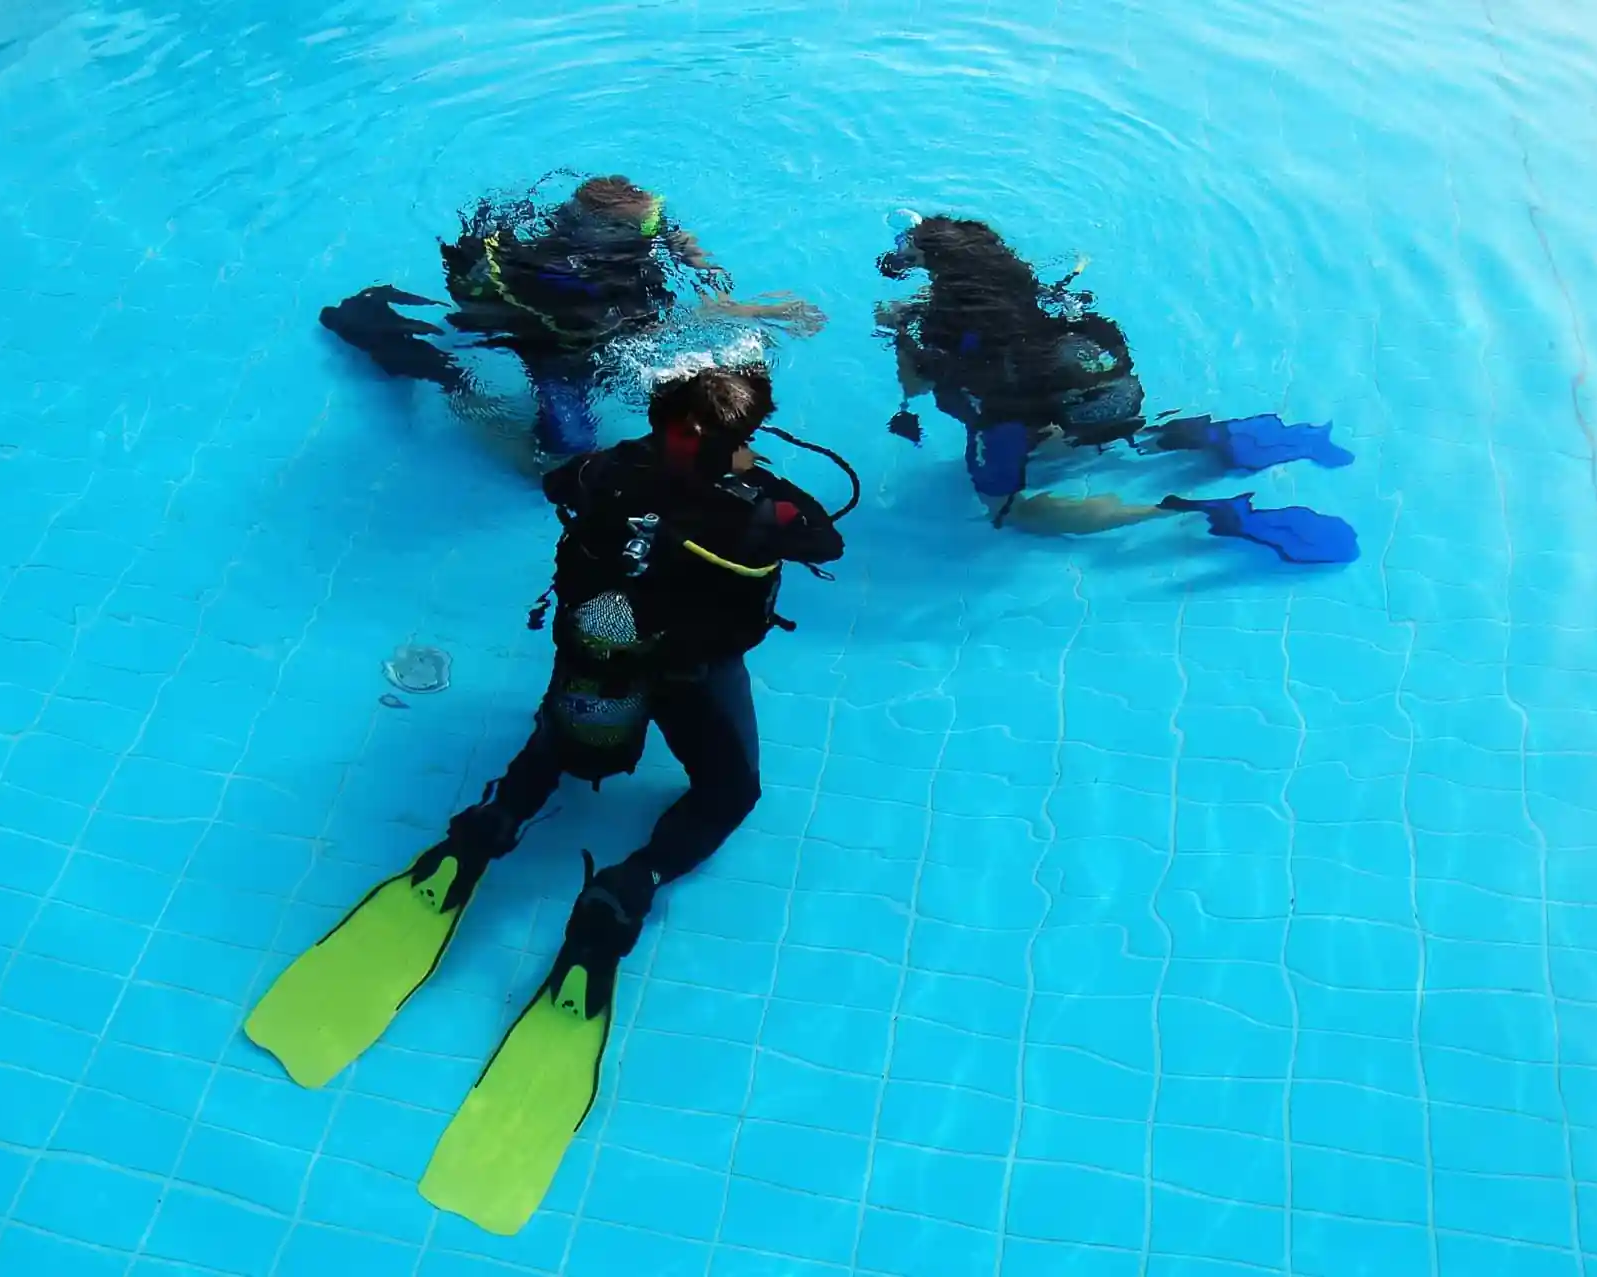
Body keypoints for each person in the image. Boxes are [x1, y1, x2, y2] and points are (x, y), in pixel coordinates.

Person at [245, 364, 847, 1232]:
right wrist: (749, 474)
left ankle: (490, 825)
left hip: (594, 666)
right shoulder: (764, 504)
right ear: (730, 435)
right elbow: (824, 543)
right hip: (688, 678)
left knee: (557, 742)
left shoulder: (609, 468)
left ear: (661, 418)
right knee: (729, 789)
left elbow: (560, 484)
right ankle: (626, 888)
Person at [320, 174, 826, 463]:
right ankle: (447, 379)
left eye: (657, 220)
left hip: (582, 329)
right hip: (554, 350)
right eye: (650, 226)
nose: (661, 231)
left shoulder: (620, 244)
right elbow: (652, 327)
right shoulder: (576, 283)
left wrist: (686, 248)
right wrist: (761, 311)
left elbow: (666, 235)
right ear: (599, 233)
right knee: (562, 456)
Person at [873, 212, 1173, 535]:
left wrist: (898, 333)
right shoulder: (1021, 284)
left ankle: (1161, 511)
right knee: (1066, 421)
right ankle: (1175, 439)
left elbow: (915, 385)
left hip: (1027, 406)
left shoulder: (941, 325)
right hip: (1101, 383)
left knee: (1005, 510)